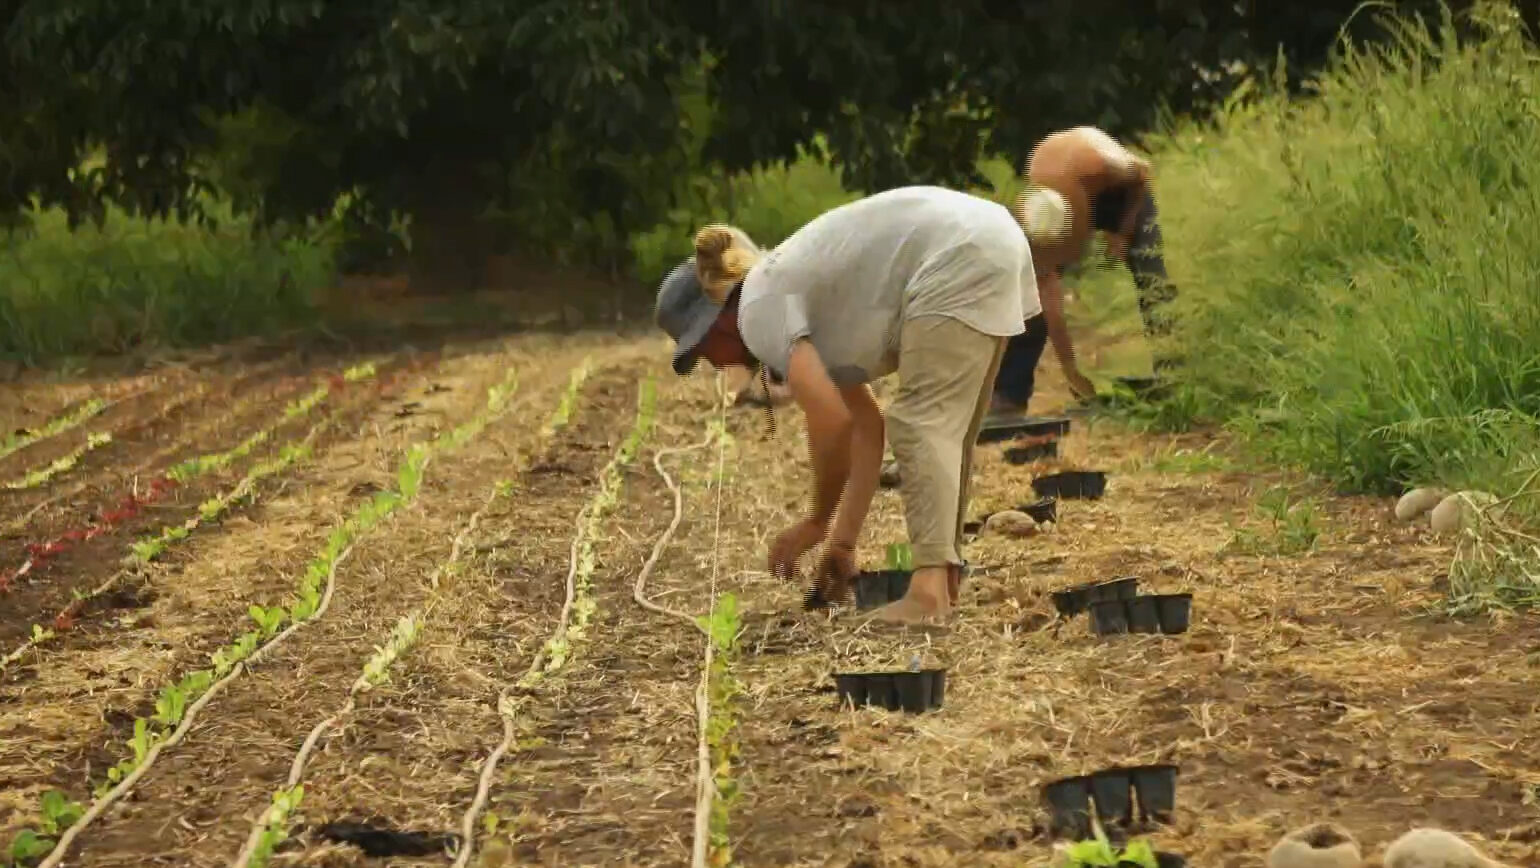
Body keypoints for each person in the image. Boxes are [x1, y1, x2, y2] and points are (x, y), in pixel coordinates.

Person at [654, 186, 1041, 624]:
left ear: (716, 317)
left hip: (957, 253)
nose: (711, 361)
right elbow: (865, 426)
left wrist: (816, 521)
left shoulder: (756, 307)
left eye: (702, 349)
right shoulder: (790, 289)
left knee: (920, 423)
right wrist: (842, 542)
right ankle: (942, 582)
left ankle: (929, 594)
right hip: (992, 237)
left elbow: (830, 421)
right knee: (949, 431)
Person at [991, 125, 1179, 419]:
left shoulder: (1098, 163)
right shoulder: (1037, 204)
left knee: (1151, 278)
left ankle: (1174, 378)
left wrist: (1124, 231)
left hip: (1127, 198)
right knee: (1030, 300)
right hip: (1076, 195)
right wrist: (1072, 372)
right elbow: (1048, 299)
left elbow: (1143, 174)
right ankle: (1009, 395)